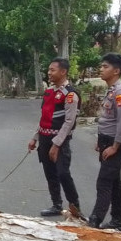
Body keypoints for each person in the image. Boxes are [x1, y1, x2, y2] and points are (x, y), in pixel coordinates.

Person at [28, 58, 83, 218]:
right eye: (49, 70)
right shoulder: (49, 92)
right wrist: (35, 138)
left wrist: (57, 144)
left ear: (63, 72)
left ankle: (76, 209)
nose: (49, 73)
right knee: (50, 173)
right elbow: (44, 118)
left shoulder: (70, 94)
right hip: (44, 139)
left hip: (60, 141)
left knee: (63, 174)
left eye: (52, 70)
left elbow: (69, 122)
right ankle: (56, 205)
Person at [87, 53, 121, 233]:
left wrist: (115, 146)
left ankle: (94, 221)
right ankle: (118, 222)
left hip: (116, 144)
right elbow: (108, 120)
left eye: (105, 66)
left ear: (116, 70)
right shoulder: (112, 90)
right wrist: (101, 141)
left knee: (104, 181)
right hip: (107, 141)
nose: (101, 69)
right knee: (114, 182)